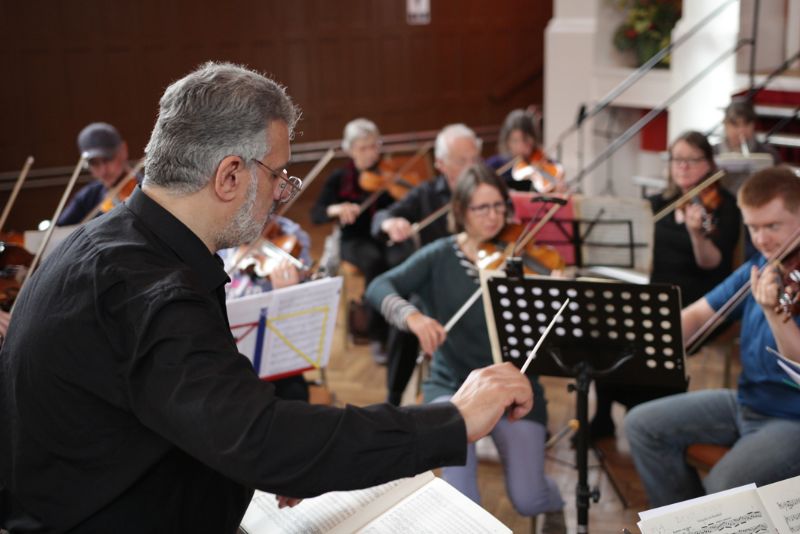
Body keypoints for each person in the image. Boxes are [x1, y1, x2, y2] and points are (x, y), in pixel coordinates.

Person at [0, 62, 535, 533]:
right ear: (230, 174)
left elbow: (191, 419)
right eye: (278, 175)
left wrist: (264, 462)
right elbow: (261, 436)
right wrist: (455, 419)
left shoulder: (113, 244)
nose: (282, 192)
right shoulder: (148, 290)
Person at [365, 163, 566, 530]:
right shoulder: (440, 255)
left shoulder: (520, 257)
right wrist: (414, 317)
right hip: (451, 386)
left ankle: (555, 504)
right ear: (460, 212)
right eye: (481, 208)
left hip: (513, 388)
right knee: (462, 501)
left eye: (499, 207)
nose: (493, 217)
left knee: (527, 498)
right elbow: (378, 286)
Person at [625, 166, 800, 507]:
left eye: (772, 226)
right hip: (747, 402)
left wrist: (773, 314)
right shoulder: (762, 267)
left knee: (722, 486)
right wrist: (643, 332)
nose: (761, 240)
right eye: (753, 227)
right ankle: (686, 524)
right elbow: (697, 315)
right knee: (642, 426)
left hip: (791, 418)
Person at [589, 131, 742, 440]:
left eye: (691, 160)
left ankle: (650, 410)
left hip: (698, 297)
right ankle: (605, 412)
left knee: (651, 326)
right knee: (605, 320)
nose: (682, 167)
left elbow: (712, 263)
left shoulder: (725, 208)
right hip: (651, 291)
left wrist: (697, 235)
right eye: (676, 159)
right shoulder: (657, 203)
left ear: (709, 164)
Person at [370, 123, 482, 404]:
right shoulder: (427, 194)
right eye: (461, 161)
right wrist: (390, 222)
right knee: (409, 318)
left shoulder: (488, 191)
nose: (471, 168)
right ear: (441, 164)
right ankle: (394, 398)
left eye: (474, 159)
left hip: (481, 281)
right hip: (437, 288)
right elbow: (381, 216)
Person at [310, 118, 393, 361]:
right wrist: (336, 210)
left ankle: (399, 324)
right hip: (354, 241)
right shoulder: (339, 178)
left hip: (385, 236)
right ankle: (378, 334)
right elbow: (316, 214)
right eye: (363, 147)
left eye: (374, 146)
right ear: (350, 149)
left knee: (403, 257)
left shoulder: (387, 174)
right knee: (375, 262)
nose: (371, 153)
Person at [220, 214, 313, 401]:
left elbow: (304, 313)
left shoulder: (291, 233)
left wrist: (286, 295)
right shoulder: (218, 237)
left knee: (294, 394)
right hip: (229, 353)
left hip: (275, 350)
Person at [57, 122, 138, 226]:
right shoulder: (88, 196)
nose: (103, 170)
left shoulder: (146, 189)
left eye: (108, 159)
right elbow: (59, 230)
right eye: (94, 163)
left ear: (123, 150)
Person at [486, 108, 563, 193]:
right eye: (515, 141)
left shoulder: (545, 163)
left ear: (534, 139)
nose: (521, 146)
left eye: (525, 140)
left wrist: (558, 187)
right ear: (507, 141)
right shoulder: (496, 165)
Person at [713, 99, 781, 196]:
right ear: (725, 125)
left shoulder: (768, 153)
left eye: (747, 124)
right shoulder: (713, 152)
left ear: (753, 125)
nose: (741, 130)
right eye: (735, 125)